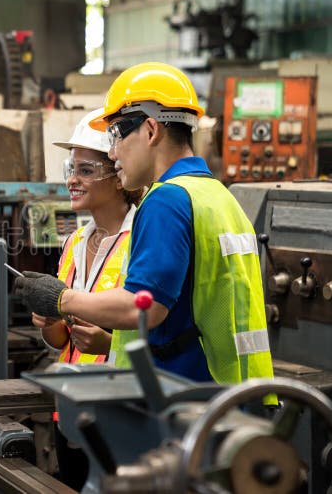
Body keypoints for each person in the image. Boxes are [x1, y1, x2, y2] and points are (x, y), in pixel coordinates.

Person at [14, 62, 274, 387]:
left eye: (115, 135)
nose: (112, 151)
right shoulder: (218, 196)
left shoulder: (167, 199)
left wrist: (60, 299)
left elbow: (144, 307)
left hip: (186, 396)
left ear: (151, 130)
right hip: (236, 391)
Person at [27, 109, 142, 490]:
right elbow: (61, 342)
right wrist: (50, 326)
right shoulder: (74, 242)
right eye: (70, 168)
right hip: (71, 407)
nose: (72, 180)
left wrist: (110, 345)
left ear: (119, 175)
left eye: (86, 170)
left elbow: (161, 329)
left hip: (121, 410)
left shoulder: (141, 242)